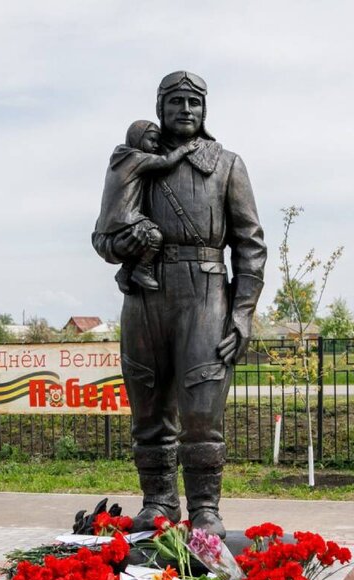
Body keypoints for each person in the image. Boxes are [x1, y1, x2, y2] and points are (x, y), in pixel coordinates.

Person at [92, 71, 267, 538]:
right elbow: (104, 237)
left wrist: (243, 314)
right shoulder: (136, 164)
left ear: (204, 110)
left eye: (194, 102)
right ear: (160, 108)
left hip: (206, 292)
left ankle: (205, 508)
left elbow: (250, 246)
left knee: (201, 409)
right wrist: (124, 244)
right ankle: (158, 502)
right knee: (147, 405)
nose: (185, 110)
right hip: (146, 295)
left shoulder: (227, 165)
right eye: (176, 102)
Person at [95, 120, 198, 292]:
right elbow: (166, 162)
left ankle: (125, 272)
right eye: (152, 140)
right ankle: (142, 270)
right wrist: (184, 149)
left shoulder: (119, 159)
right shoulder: (135, 158)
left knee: (138, 243)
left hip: (109, 221)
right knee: (153, 236)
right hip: (124, 217)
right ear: (137, 138)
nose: (156, 145)